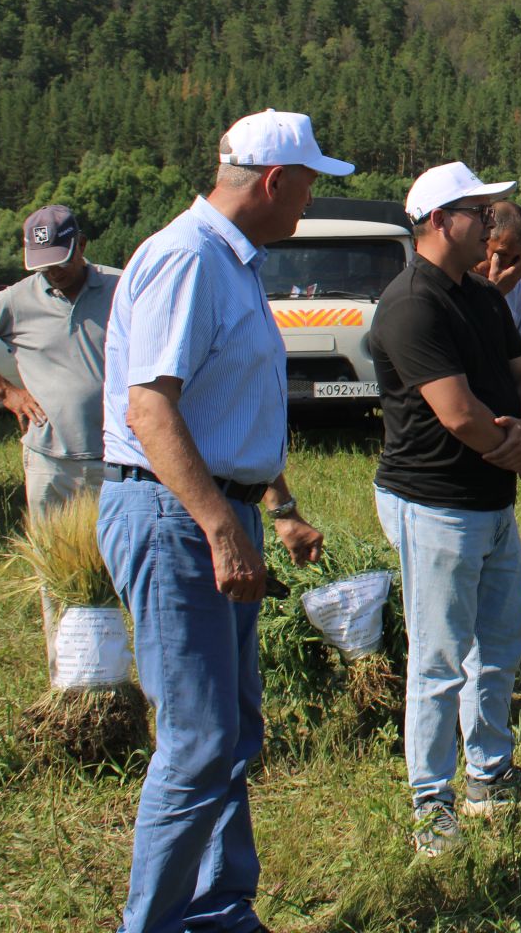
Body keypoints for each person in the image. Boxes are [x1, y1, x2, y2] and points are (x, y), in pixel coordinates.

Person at [96, 109, 334, 933]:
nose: (310, 201)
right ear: (274, 181)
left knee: (231, 733)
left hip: (206, 511)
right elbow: (150, 408)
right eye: (308, 184)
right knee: (199, 742)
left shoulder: (233, 264)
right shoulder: (187, 259)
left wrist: (275, 509)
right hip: (174, 519)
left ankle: (218, 909)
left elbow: (225, 411)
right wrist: (221, 527)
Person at [369, 161, 521, 858]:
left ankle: (490, 773)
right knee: (440, 657)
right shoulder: (411, 304)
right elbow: (458, 414)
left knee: (501, 641)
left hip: (488, 501)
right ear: (442, 220)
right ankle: (430, 800)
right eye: (478, 212)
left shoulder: (481, 295)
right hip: (436, 504)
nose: (490, 223)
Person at [0, 204, 120, 672]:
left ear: (82, 245)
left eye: (59, 259)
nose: (51, 273)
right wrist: (6, 392)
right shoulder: (18, 299)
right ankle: (66, 675)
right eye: (41, 264)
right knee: (56, 569)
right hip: (49, 460)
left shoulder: (122, 288)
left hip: (118, 458)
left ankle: (120, 668)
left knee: (123, 566)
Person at [486, 198, 521, 357]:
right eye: (502, 255)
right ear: (484, 239)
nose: (509, 266)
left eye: (517, 257)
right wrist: (494, 294)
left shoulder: (514, 283)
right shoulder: (461, 278)